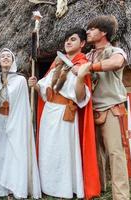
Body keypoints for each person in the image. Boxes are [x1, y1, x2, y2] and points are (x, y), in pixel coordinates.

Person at [29, 28, 98, 199]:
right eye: (67, 39)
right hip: (49, 113)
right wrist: (35, 84)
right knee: (48, 149)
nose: (68, 42)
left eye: (73, 39)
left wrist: (80, 77)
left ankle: (64, 188)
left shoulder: (82, 65)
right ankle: (47, 185)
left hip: (65, 114)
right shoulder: (57, 64)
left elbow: (82, 98)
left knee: (63, 151)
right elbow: (45, 90)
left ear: (82, 44)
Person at [0, 48, 41, 199]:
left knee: (14, 152)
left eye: (9, 56)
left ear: (13, 61)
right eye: (3, 56)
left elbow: (21, 105)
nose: (6, 58)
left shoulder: (20, 80)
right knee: (0, 152)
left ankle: (16, 186)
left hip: (15, 122)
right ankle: (0, 188)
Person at [83, 15, 130, 200]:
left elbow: (117, 63)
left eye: (92, 29)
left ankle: (121, 196)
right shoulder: (87, 55)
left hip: (111, 107)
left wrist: (90, 68)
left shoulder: (115, 51)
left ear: (103, 32)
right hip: (89, 109)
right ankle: (98, 189)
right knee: (95, 154)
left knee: (115, 153)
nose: (88, 32)